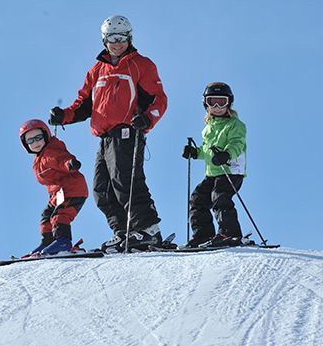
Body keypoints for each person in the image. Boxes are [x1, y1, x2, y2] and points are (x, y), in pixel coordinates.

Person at [49, 15, 168, 252]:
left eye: (122, 38)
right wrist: (63, 116)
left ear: (129, 38)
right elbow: (83, 104)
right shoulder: (97, 70)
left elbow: (159, 99)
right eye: (112, 38)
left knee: (126, 181)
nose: (117, 43)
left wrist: (147, 118)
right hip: (104, 137)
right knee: (101, 189)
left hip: (127, 130)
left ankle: (147, 229)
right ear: (104, 40)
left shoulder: (140, 64)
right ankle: (125, 232)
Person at [181, 82, 246, 247]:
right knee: (197, 199)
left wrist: (227, 154)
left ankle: (229, 233)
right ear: (205, 104)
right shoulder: (208, 128)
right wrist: (195, 153)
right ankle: (203, 235)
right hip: (213, 173)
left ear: (229, 103)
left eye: (221, 102)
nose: (217, 107)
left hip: (231, 171)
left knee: (220, 197)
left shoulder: (235, 125)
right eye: (212, 102)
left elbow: (237, 143)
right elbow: (207, 151)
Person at [19, 119, 88, 256]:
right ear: (26, 145)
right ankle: (47, 242)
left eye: (38, 138)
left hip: (72, 189)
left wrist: (70, 164)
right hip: (57, 193)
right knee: (46, 216)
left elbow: (61, 159)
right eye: (30, 141)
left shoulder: (51, 152)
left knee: (60, 214)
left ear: (46, 135)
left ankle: (63, 241)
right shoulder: (38, 158)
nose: (36, 143)